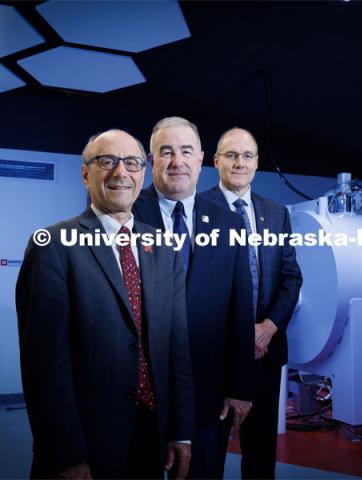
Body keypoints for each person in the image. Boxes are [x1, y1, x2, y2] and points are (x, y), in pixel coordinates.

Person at [16, 129, 195, 479]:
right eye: (106, 161)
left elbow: (177, 347)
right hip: (84, 445)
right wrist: (65, 454)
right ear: (86, 174)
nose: (120, 172)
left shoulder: (163, 247)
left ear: (142, 174)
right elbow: (44, 365)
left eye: (131, 162)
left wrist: (181, 430)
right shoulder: (52, 246)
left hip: (151, 435)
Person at [132, 117, 255, 479]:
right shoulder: (125, 216)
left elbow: (240, 308)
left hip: (208, 395)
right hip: (139, 394)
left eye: (186, 151)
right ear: (152, 161)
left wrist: (240, 387)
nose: (177, 161)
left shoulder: (230, 224)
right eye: (166, 152)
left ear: (201, 159)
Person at [200, 127, 302, 479]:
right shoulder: (198, 210)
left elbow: (292, 277)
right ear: (216, 162)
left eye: (247, 156)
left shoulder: (277, 214)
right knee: (208, 453)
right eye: (231, 155)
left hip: (265, 351)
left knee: (261, 455)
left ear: (257, 163)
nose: (239, 162)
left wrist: (268, 327)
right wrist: (239, 335)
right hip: (216, 357)